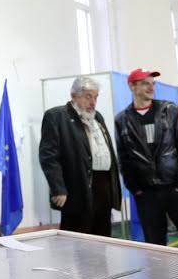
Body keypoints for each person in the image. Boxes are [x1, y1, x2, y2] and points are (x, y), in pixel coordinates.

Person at [114, 69, 178, 252]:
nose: (151, 87)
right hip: (146, 193)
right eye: (145, 83)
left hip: (176, 188)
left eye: (152, 84)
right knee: (156, 248)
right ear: (132, 86)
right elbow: (123, 157)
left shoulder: (170, 110)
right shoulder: (122, 119)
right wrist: (135, 188)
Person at [39, 76, 122, 236]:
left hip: (103, 185)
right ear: (74, 96)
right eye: (88, 96)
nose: (93, 102)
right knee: (77, 238)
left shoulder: (97, 117)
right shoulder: (57, 116)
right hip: (77, 187)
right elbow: (49, 156)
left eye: (95, 97)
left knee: (102, 236)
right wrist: (58, 188)